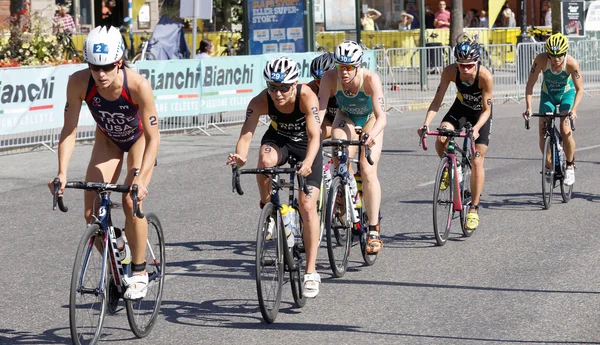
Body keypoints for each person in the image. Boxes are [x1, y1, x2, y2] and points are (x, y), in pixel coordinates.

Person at [48, 26, 161, 300]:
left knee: (131, 201)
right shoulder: (78, 82)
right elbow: (69, 130)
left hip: (138, 141)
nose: (100, 74)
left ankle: (139, 269)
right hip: (107, 140)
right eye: (94, 67)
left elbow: (154, 136)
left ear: (119, 62)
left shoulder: (137, 86)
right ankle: (117, 254)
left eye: (108, 67)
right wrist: (61, 173)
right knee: (92, 213)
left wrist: (142, 180)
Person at [226, 57, 323, 298]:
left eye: (283, 88)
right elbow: (246, 134)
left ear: (295, 84)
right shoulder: (261, 100)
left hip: (306, 146)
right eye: (272, 87)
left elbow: (314, 135)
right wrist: (239, 156)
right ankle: (269, 208)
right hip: (279, 140)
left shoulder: (306, 95)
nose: (278, 94)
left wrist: (309, 162)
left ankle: (310, 271)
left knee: (307, 205)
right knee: (265, 162)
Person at [317, 40, 387, 254]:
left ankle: (374, 230)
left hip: (369, 120)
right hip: (346, 116)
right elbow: (318, 114)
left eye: (349, 68)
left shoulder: (370, 79)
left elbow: (382, 116)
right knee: (340, 152)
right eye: (341, 67)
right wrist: (310, 137)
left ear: (358, 66)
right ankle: (344, 190)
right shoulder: (329, 79)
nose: (344, 72)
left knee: (367, 169)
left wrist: (371, 136)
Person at [417, 39, 494, 231]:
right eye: (461, 65)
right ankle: (454, 167)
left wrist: (476, 128)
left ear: (476, 63)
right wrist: (426, 124)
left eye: (469, 65)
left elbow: (487, 109)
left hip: (480, 114)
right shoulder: (450, 72)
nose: (465, 69)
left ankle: (474, 209)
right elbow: (437, 101)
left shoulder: (485, 76)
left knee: (477, 160)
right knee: (442, 136)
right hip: (460, 109)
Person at [523, 33, 583, 186]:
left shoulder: (571, 63)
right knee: (543, 134)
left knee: (565, 127)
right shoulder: (540, 60)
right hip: (548, 95)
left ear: (565, 53)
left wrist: (574, 110)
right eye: (552, 56)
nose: (556, 60)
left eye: (560, 56)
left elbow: (580, 89)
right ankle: (549, 165)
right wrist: (529, 107)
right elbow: (530, 84)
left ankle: (569, 165)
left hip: (566, 96)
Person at [307, 52, 338, 140]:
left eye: (326, 80)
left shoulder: (346, 88)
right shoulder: (311, 88)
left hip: (351, 122)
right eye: (318, 81)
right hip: (327, 122)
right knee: (317, 131)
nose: (322, 85)